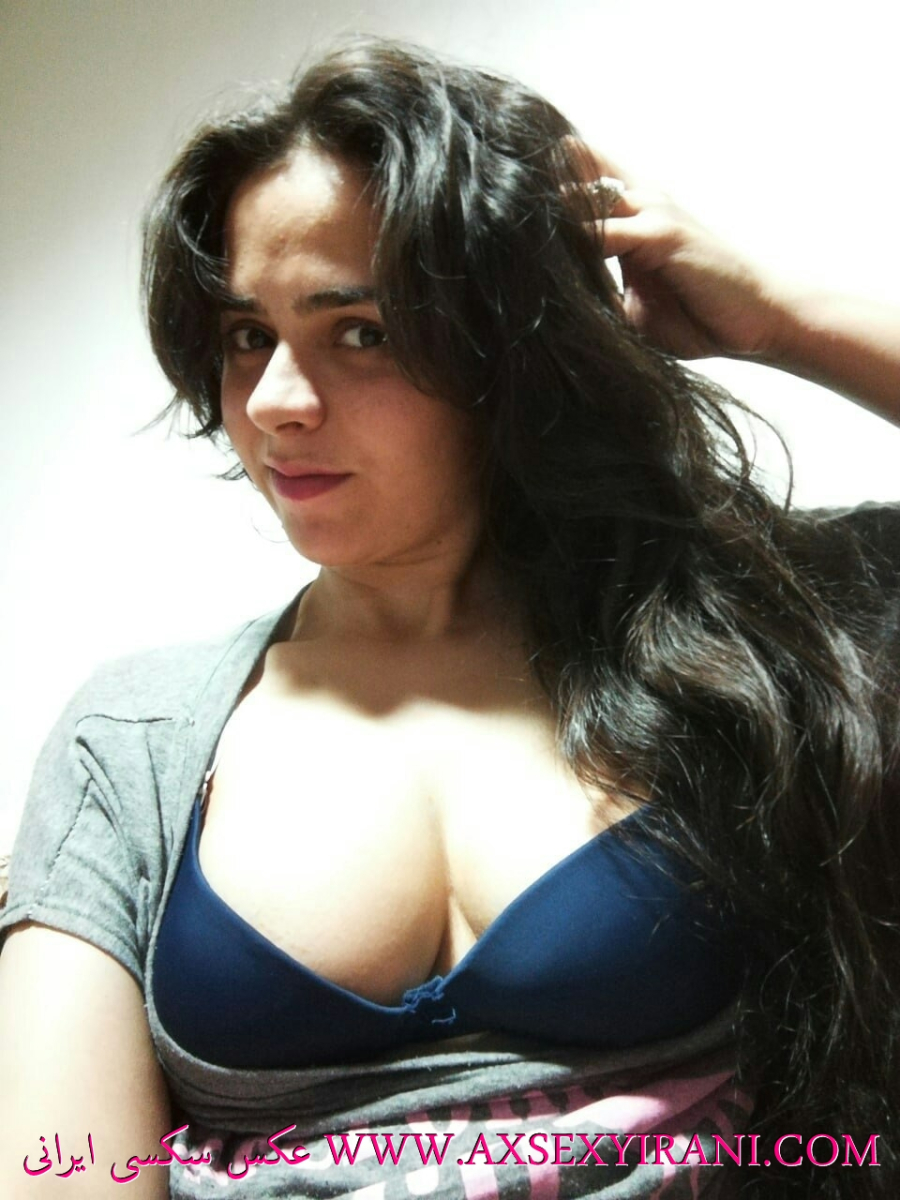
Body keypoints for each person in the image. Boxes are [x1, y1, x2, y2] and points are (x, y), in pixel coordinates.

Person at [1, 36, 898, 1200]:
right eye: (247, 335)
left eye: (360, 331)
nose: (275, 401)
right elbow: (63, 1174)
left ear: (512, 354)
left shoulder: (747, 635)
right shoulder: (138, 738)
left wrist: (782, 318)